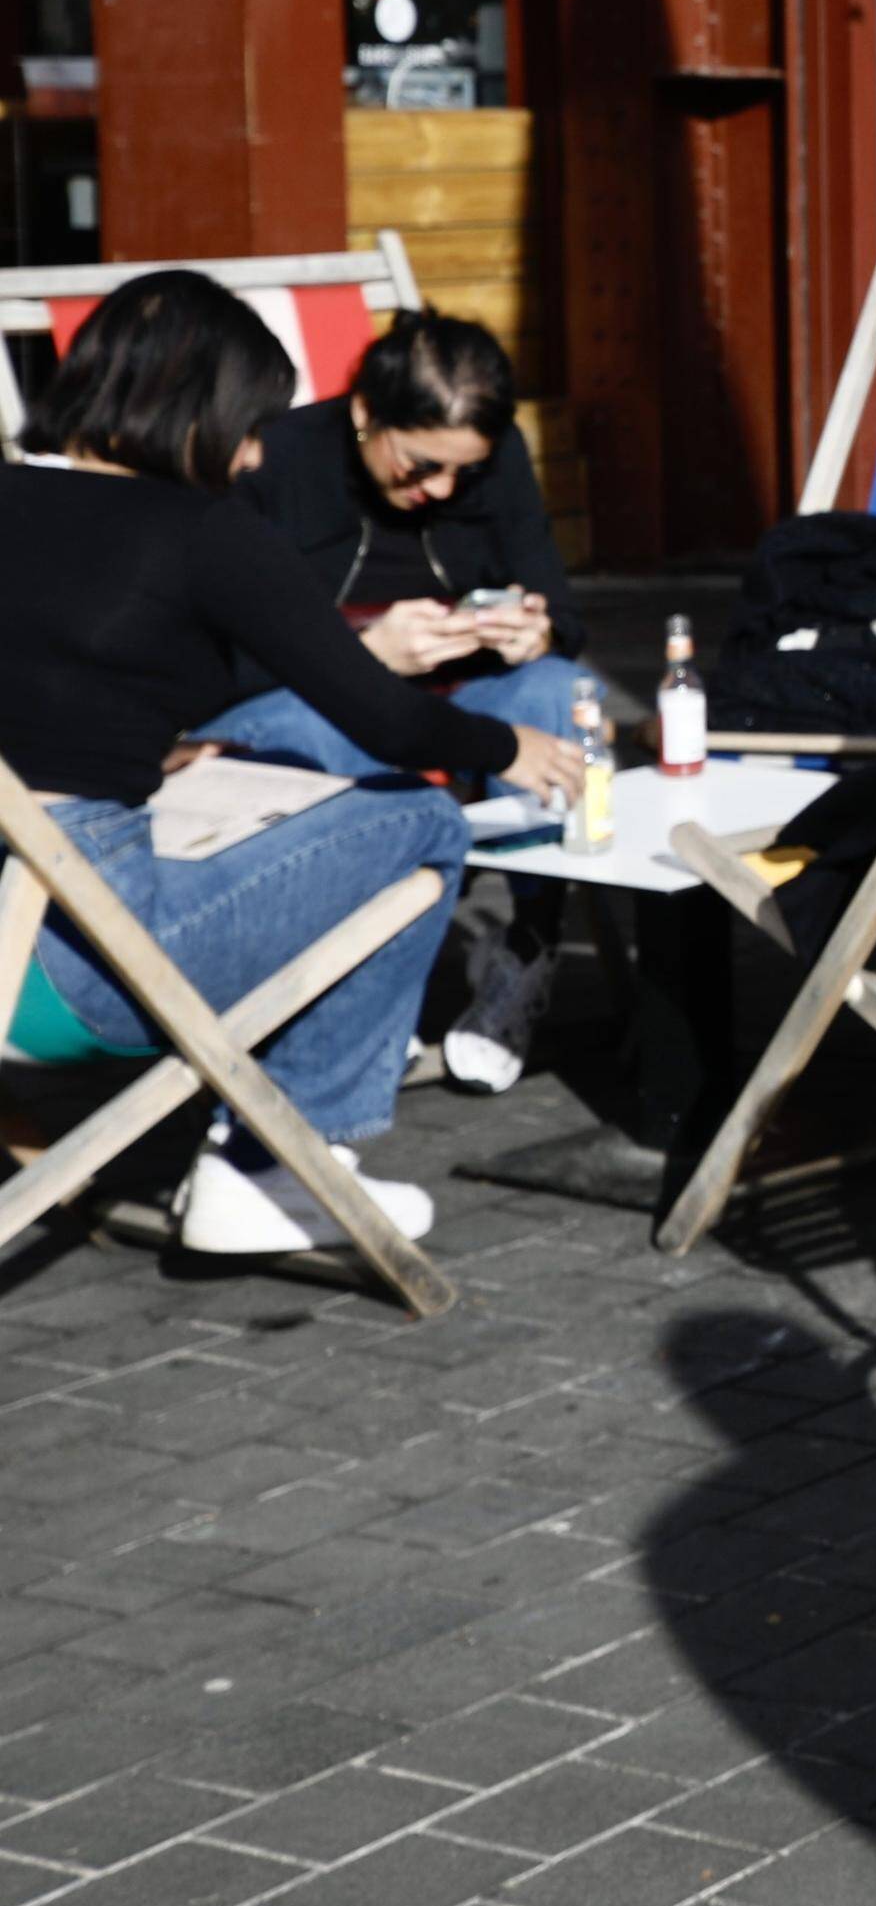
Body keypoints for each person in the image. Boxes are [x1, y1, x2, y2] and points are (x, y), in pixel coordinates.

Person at [0, 272, 589, 1259]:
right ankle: (276, 1165)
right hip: (79, 978)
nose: (258, 449)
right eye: (247, 420)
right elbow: (396, 730)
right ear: (196, 408)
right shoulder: (200, 533)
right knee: (420, 826)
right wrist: (509, 746)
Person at [207, 312, 594, 774]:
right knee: (317, 734)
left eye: (465, 472)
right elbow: (216, 664)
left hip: (464, 693)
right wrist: (361, 658)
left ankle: (534, 842)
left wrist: (538, 635)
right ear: (365, 412)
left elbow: (562, 614)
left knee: (556, 690)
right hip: (315, 702)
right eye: (421, 465)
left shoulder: (497, 455)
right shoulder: (272, 460)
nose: (442, 489)